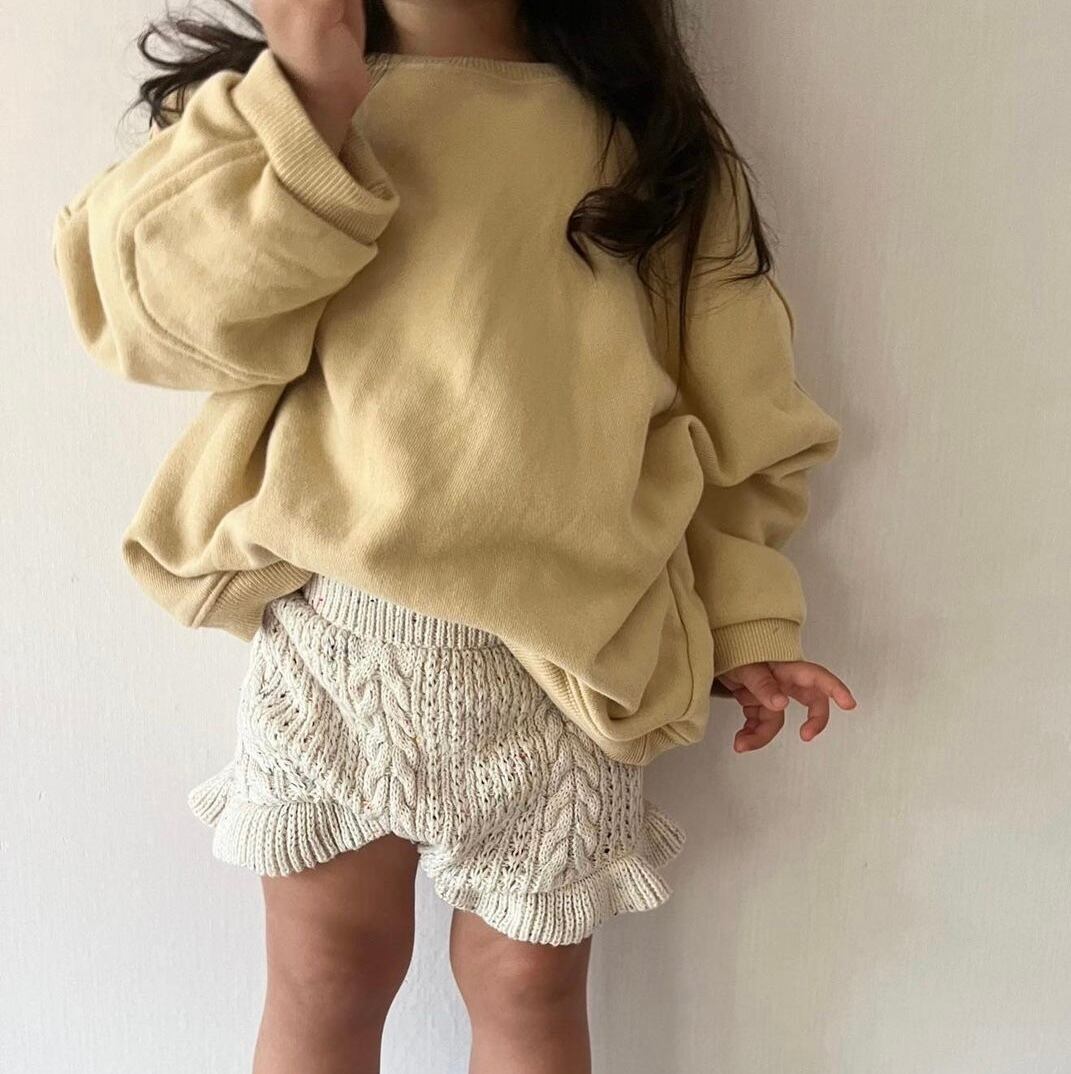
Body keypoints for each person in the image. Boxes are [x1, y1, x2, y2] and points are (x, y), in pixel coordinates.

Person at [51, 0, 858, 1070]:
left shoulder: (649, 142)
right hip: (333, 638)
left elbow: (738, 409)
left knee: (528, 986)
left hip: (572, 652)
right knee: (326, 972)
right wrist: (308, 100)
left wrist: (747, 616)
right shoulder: (278, 107)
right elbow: (153, 314)